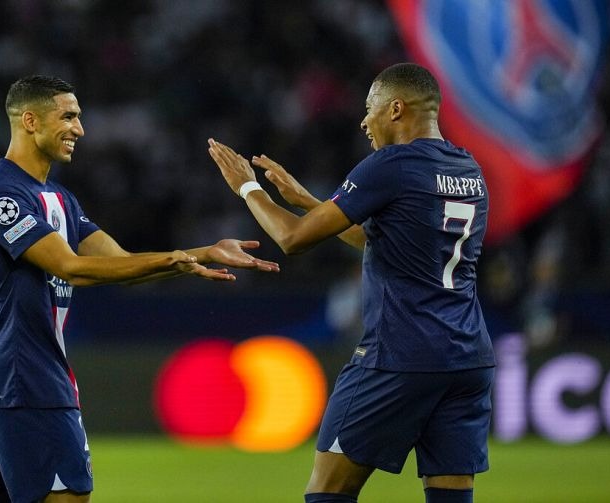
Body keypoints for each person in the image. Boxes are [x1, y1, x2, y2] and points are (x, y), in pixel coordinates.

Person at [0, 75, 279, 503]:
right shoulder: (3, 193)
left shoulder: (60, 200)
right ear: (31, 121)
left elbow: (120, 263)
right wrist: (176, 258)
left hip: (3, 380)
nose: (80, 129)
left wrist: (204, 254)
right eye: (68, 117)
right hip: (25, 380)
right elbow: (72, 268)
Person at [208, 62, 495, 503]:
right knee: (451, 496)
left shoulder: (390, 164)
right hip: (467, 360)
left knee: (329, 490)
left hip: (398, 355)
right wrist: (309, 200)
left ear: (396, 109)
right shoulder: (468, 169)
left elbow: (292, 239)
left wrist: (248, 189)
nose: (364, 121)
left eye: (370, 108)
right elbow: (383, 240)